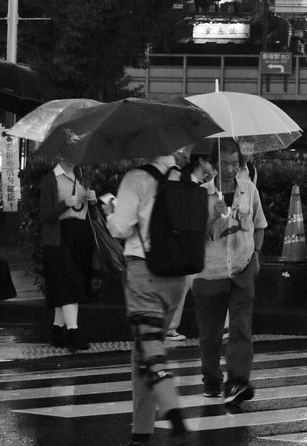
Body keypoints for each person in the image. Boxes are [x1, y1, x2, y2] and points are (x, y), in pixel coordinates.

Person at [105, 149, 209, 446]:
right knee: (143, 352)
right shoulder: (187, 180)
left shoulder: (136, 178)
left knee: (151, 350)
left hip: (145, 274)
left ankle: (176, 418)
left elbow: (121, 227)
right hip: (177, 279)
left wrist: (110, 211)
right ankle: (141, 433)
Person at [193, 139, 268, 406]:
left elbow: (259, 224)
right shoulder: (200, 195)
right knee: (209, 334)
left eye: (235, 163)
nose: (230, 169)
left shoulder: (249, 190)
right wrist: (212, 217)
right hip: (209, 272)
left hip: (242, 268)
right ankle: (211, 378)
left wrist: (256, 254)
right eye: (224, 163)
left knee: (241, 327)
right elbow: (192, 237)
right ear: (213, 165)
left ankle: (237, 380)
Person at [39, 156, 96, 352]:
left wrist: (92, 201)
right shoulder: (51, 179)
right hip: (60, 236)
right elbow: (45, 215)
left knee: (70, 283)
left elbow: (90, 214)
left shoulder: (82, 176)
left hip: (81, 235)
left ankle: (57, 331)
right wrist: (65, 203)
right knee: (69, 283)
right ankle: (73, 332)